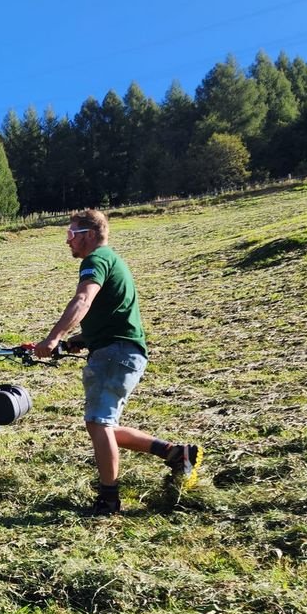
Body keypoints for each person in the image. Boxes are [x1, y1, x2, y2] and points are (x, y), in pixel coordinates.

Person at [32, 208, 203, 515]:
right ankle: (176, 454)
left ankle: (108, 499)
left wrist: (54, 337)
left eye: (71, 235)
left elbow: (84, 299)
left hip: (116, 353)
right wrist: (81, 339)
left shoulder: (96, 260)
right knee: (104, 425)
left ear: (90, 236)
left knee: (98, 424)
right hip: (120, 350)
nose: (67, 242)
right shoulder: (112, 260)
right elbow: (113, 313)